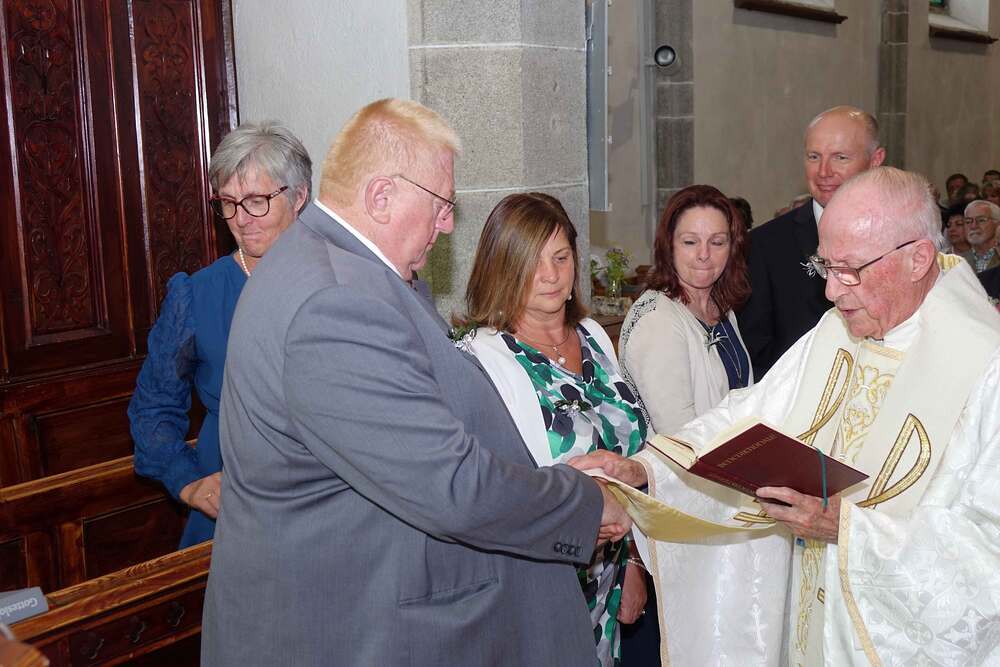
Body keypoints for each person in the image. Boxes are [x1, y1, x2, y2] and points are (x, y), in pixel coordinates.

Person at [201, 99, 631, 666]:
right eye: (442, 204)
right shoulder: (335, 301)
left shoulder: (339, 270)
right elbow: (449, 484)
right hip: (360, 630)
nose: (448, 224)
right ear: (381, 196)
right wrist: (578, 501)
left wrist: (543, 478)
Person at [575, 166, 1000, 665]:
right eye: (826, 266)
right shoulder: (839, 330)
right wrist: (647, 468)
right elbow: (753, 414)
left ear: (918, 259)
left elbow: (986, 550)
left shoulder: (982, 367)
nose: (831, 292)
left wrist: (851, 532)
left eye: (850, 270)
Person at [457, 192, 648, 667]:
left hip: (608, 578)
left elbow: (633, 459)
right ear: (502, 267)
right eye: (532, 262)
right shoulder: (480, 358)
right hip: (541, 582)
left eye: (561, 258)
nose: (550, 275)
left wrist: (634, 562)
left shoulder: (594, 336)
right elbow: (487, 491)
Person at [614, 185, 789, 665]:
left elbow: (740, 400)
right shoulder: (659, 319)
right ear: (668, 245)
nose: (704, 255)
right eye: (690, 242)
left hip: (723, 494)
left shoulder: (717, 305)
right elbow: (680, 438)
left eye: (718, 241)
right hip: (681, 506)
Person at [128, 121, 311, 547]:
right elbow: (154, 405)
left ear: (299, 197)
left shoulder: (337, 281)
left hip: (322, 506)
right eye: (228, 203)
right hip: (229, 512)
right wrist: (187, 480)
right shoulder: (197, 295)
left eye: (257, 201)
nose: (241, 220)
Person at [738, 106, 885, 378]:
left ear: (875, 160)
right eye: (814, 157)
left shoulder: (901, 237)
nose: (824, 171)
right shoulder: (765, 245)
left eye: (840, 157)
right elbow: (756, 353)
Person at [961, 199, 1000, 273]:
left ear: (997, 223)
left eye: (981, 220)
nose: (973, 226)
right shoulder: (957, 262)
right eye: (968, 221)